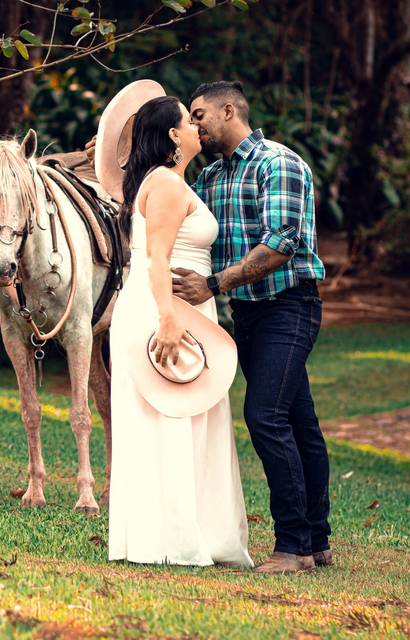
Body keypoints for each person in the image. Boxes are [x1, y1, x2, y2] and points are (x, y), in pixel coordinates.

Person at [172, 81, 330, 574]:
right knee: (300, 423)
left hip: (290, 307)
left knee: (265, 416)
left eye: (199, 115)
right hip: (248, 315)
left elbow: (282, 241)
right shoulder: (212, 177)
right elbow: (178, 215)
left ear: (227, 110)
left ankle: (292, 547)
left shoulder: (276, 163)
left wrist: (214, 283)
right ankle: (316, 542)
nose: (194, 125)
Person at [95, 81, 253, 568]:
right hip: (162, 308)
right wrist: (167, 319)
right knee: (169, 421)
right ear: (172, 135)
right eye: (189, 120)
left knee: (186, 421)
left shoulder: (174, 181)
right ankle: (171, 540)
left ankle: (191, 534)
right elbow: (156, 258)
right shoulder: (163, 184)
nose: (196, 126)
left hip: (181, 308)